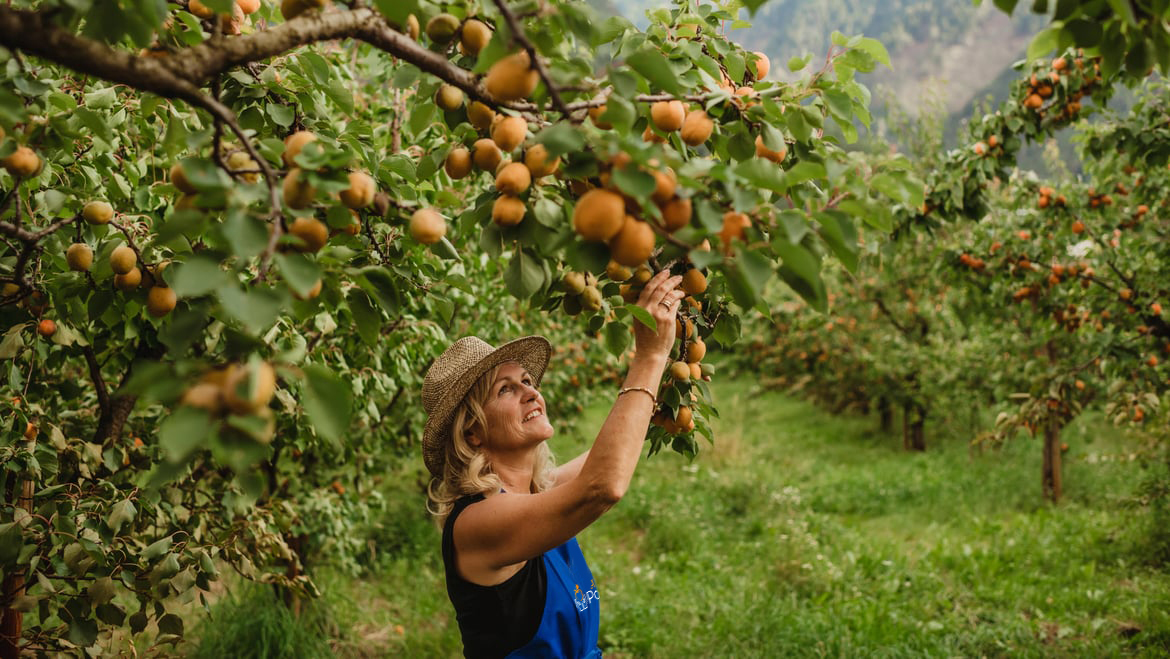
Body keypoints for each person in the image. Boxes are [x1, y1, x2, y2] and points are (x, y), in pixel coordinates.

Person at [421, 268, 686, 658]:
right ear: (473, 432)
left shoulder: (530, 491)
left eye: (528, 381)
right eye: (506, 390)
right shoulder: (478, 523)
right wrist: (649, 356)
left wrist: (655, 405)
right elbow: (602, 485)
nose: (530, 392)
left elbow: (598, 461)